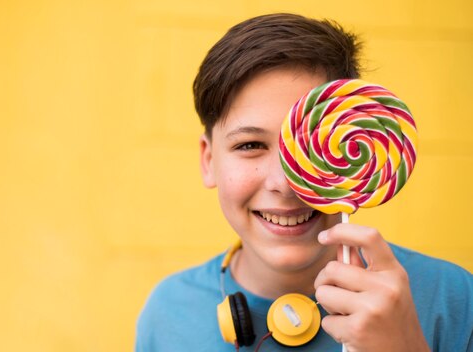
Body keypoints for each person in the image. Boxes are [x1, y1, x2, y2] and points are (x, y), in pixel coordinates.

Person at [135, 13, 473, 352]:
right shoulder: (168, 313)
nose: (284, 183)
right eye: (250, 146)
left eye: (312, 145)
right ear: (209, 161)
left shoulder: (454, 299)